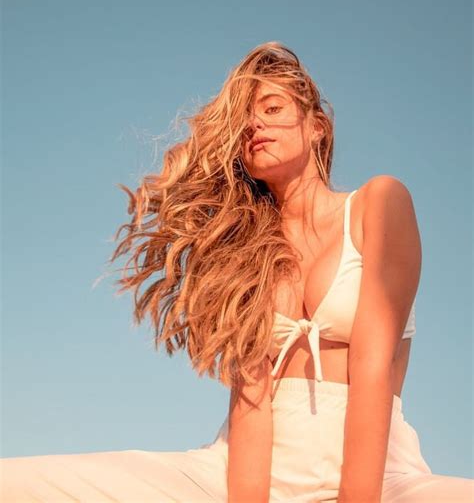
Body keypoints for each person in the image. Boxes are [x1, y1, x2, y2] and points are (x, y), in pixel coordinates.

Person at [1, 42, 473, 502]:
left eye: (272, 108)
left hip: (376, 467)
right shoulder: (246, 249)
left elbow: (372, 366)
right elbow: (252, 402)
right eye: (244, 119)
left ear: (318, 127)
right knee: (21, 483)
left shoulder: (379, 203)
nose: (255, 125)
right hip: (241, 467)